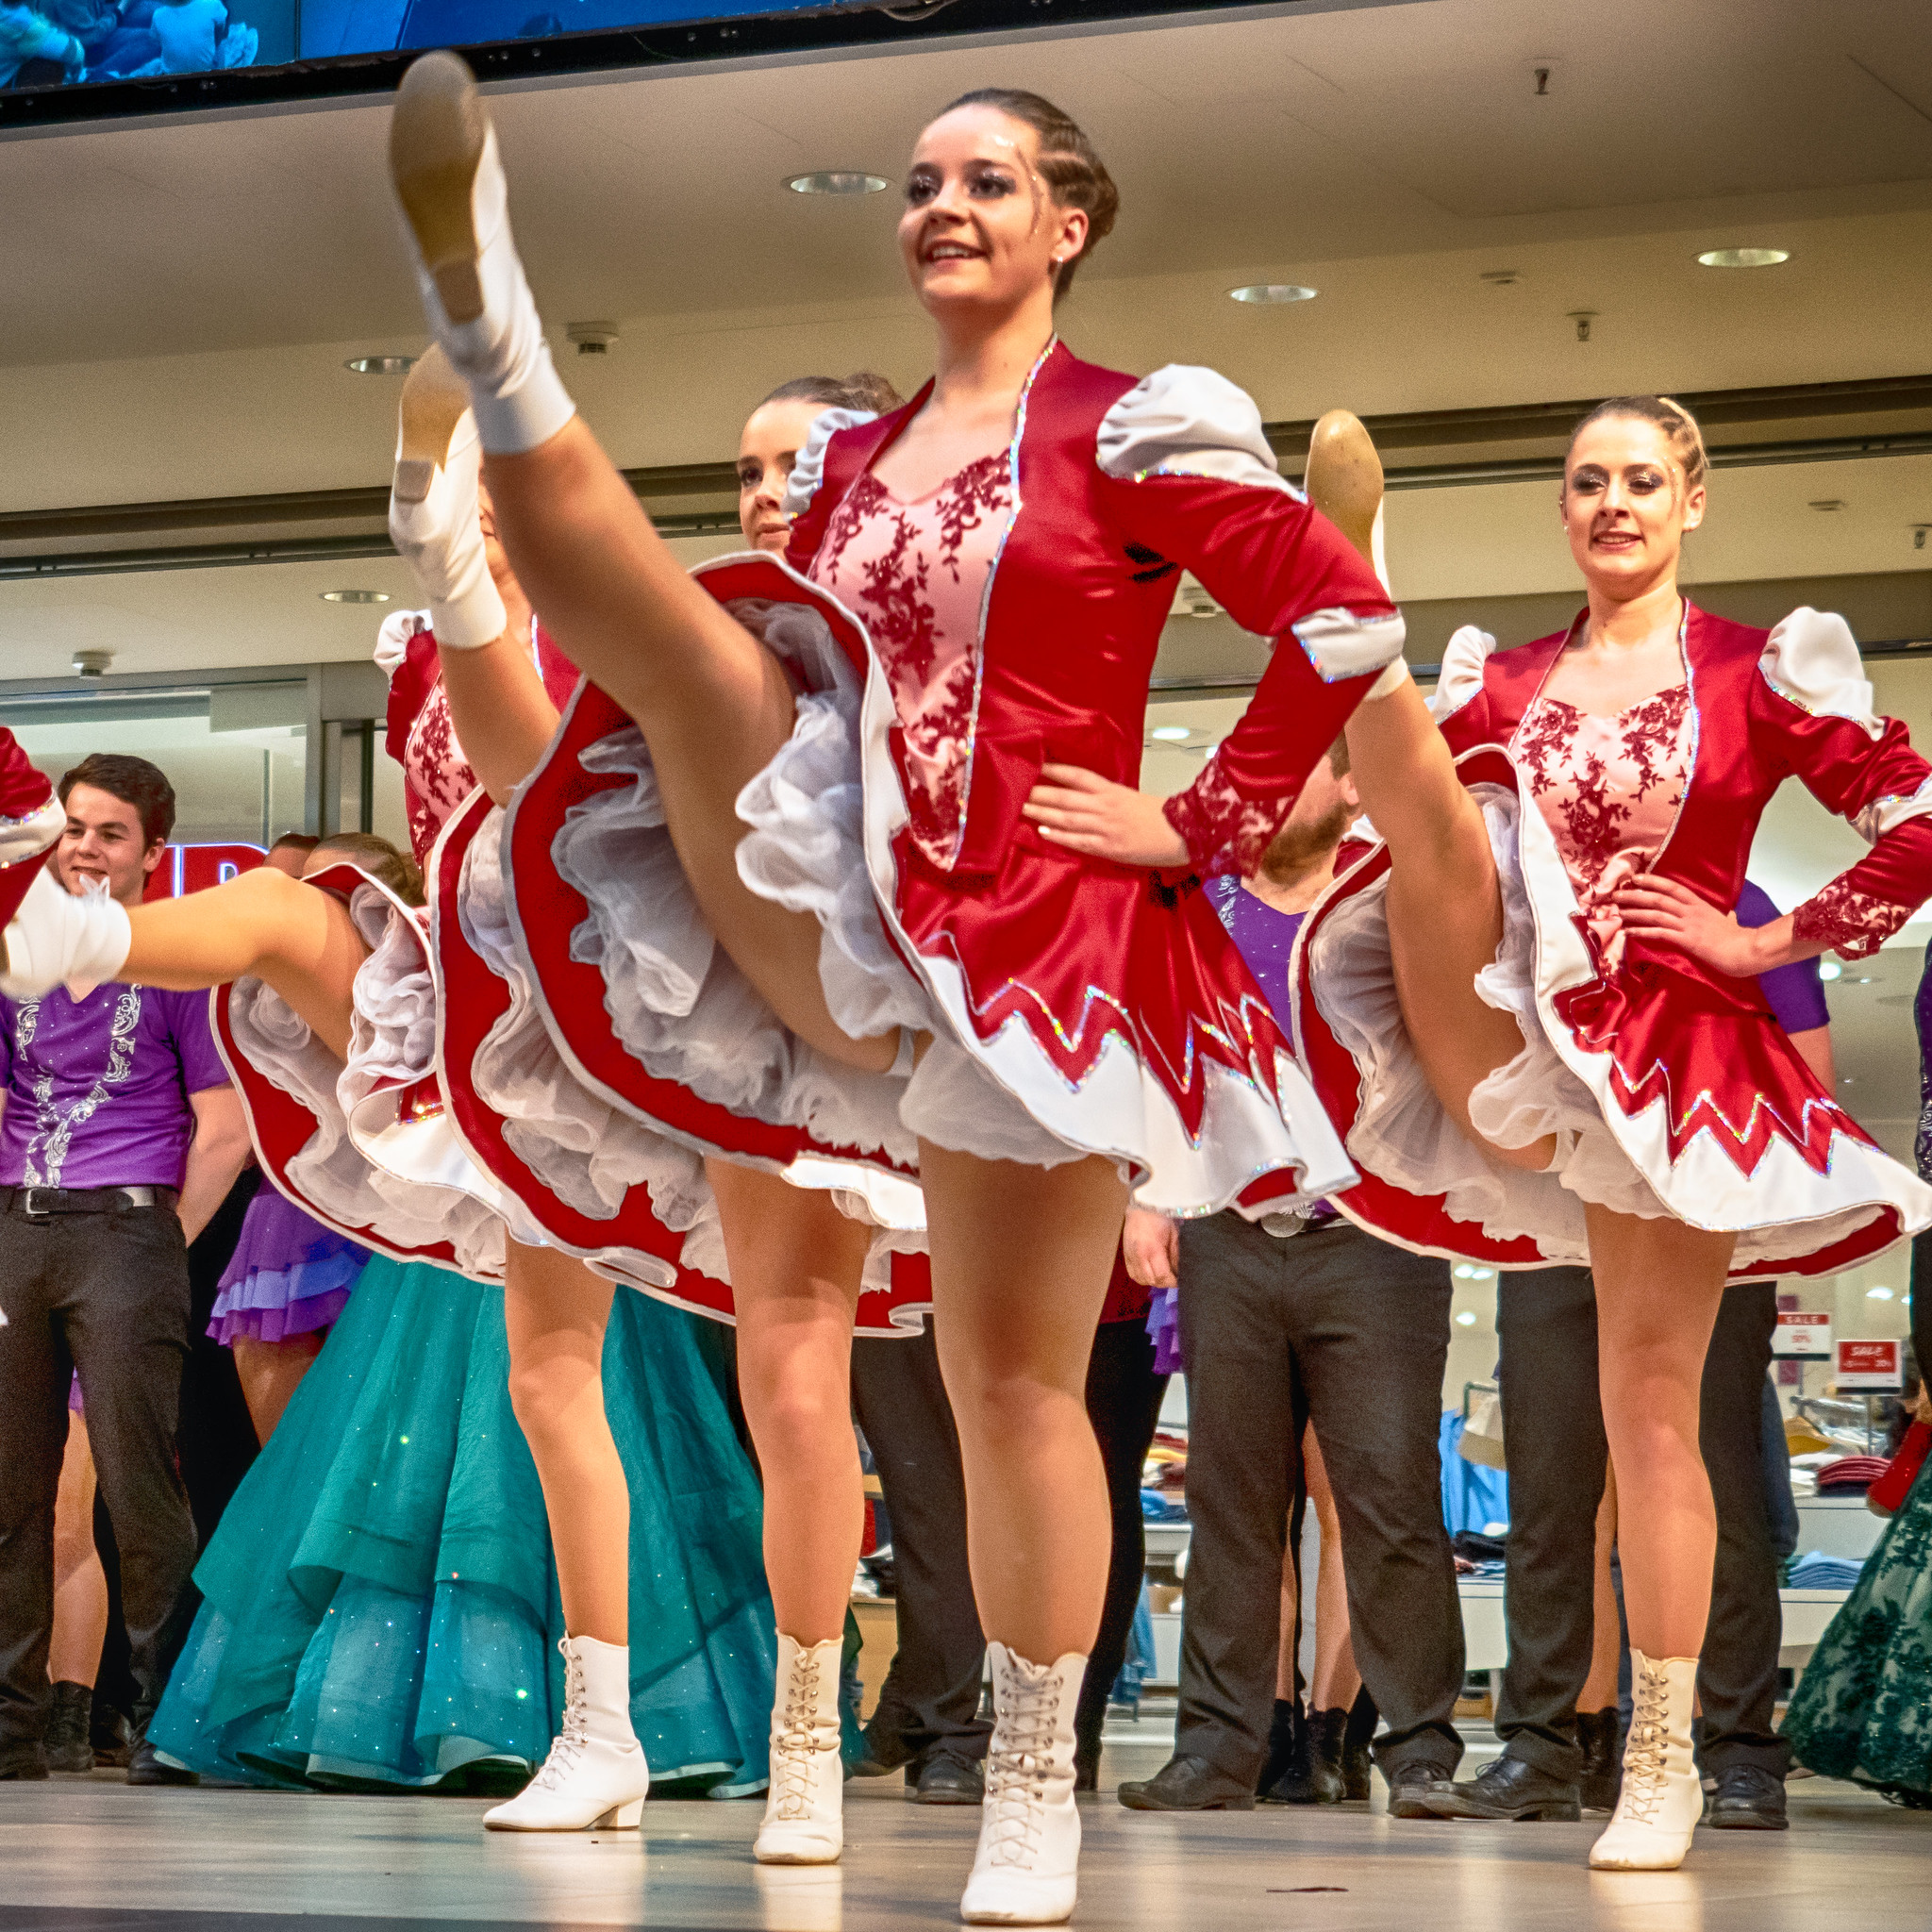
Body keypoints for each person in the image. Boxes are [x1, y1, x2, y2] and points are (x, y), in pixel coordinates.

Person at [357, 56, 1401, 1924]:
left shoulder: (1140, 425)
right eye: (920, 180)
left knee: (1014, 1388)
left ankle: (1026, 1772)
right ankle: (490, 326)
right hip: (835, 877)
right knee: (684, 657)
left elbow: (1341, 618)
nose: (941, 206)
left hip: (1042, 933)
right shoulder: (848, 462)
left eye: (986, 182)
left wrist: (1203, 822)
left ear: (1064, 224)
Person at [1424, 879, 1831, 1830]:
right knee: (1548, 1494)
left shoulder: (1740, 894)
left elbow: (1807, 1060)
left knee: (1716, 1475)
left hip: (1705, 1206)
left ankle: (1734, 1745)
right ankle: (1542, 1738)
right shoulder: (1533, 894)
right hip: (1558, 1218)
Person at [1112, 743, 1465, 1820]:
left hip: (1374, 1235)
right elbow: (1155, 1053)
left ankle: (1416, 1748)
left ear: (1354, 783)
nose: (1260, 793)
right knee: (1227, 1499)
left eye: (1292, 770)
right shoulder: (1193, 904)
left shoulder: (1385, 892)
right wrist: (1145, 1192)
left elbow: (1452, 1038)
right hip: (1224, 1227)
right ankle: (1217, 1748)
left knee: (1388, 1493)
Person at [0, 753, 254, 1786]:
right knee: (11, 1486)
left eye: (111, 832)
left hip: (130, 1224)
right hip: (18, 1220)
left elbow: (226, 1126)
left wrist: (156, 1242)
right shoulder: (17, 955)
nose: (85, 847)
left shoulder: (178, 962)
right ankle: (13, 1726)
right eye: (72, 827)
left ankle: (161, 1716)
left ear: (154, 852)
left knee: (140, 1483)